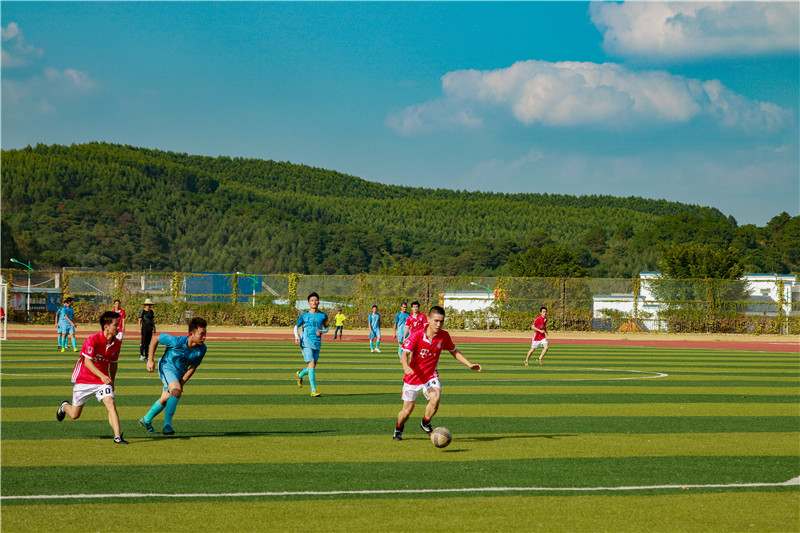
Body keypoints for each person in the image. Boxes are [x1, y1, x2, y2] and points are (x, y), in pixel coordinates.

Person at [394, 305, 481, 441]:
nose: (438, 324)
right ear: (428, 319)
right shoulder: (417, 335)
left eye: (441, 321)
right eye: (436, 321)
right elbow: (404, 354)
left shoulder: (444, 336)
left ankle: (425, 422)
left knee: (435, 398)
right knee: (406, 412)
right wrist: (405, 367)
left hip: (430, 376)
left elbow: (454, 351)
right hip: (413, 377)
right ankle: (399, 428)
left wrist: (469, 364)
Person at [56, 311, 128, 444]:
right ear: (106, 326)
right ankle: (64, 406)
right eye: (116, 325)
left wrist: (112, 380)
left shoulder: (117, 343)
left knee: (110, 403)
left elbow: (113, 363)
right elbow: (87, 362)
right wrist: (102, 375)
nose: (119, 327)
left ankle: (117, 437)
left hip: (102, 381)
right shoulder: (92, 340)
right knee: (74, 415)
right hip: (84, 379)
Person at [139, 317, 208, 435]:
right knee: (176, 391)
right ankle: (167, 425)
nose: (204, 337)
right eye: (201, 334)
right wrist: (150, 360)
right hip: (167, 368)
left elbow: (192, 368)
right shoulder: (176, 342)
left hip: (179, 373)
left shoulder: (202, 349)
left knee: (166, 398)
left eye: (205, 334)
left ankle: (146, 419)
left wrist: (182, 382)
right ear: (191, 334)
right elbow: (156, 338)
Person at [294, 292, 329, 397]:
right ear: (309, 303)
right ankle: (313, 390)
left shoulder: (323, 315)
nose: (314, 302)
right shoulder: (304, 315)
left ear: (318, 302)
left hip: (317, 342)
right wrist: (296, 337)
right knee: (312, 363)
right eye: (312, 300)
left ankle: (300, 375)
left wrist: (323, 331)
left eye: (316, 300)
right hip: (306, 342)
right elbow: (296, 326)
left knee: (311, 367)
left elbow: (327, 327)